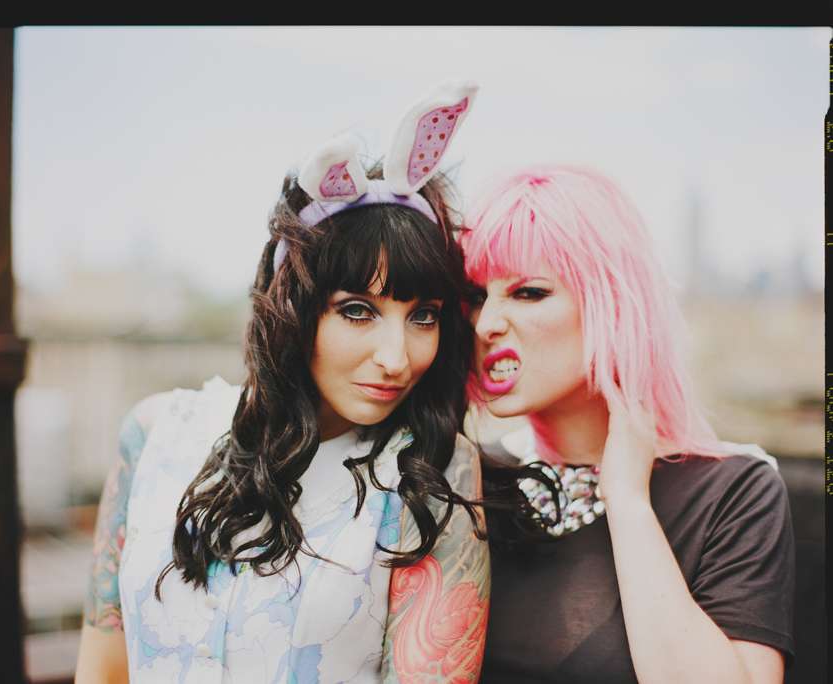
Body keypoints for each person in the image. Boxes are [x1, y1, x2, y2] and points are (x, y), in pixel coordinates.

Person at [75, 81, 490, 683]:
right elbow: (102, 669)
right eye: (358, 311)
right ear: (292, 306)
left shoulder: (432, 472)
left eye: (423, 316)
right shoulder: (153, 433)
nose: (397, 357)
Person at [458, 166, 795, 684]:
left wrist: (628, 499)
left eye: (528, 293)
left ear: (611, 303)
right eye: (478, 297)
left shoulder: (734, 492)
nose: (486, 324)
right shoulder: (471, 479)